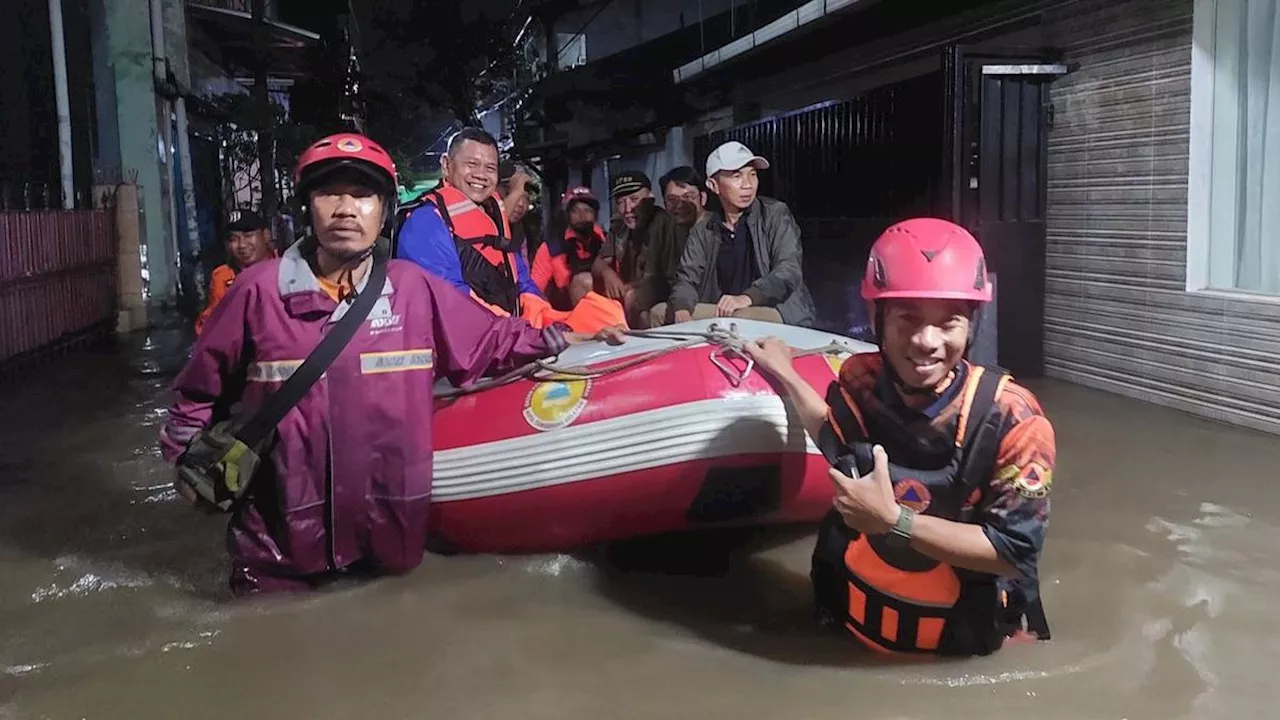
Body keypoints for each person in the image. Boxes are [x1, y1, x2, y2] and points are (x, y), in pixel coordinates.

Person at [159, 132, 625, 596]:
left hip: (387, 544)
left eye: (362, 196)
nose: (345, 208)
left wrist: (566, 334)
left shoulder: (413, 290)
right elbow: (197, 392)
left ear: (383, 210)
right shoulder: (258, 292)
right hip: (278, 555)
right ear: (308, 207)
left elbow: (490, 340)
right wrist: (186, 465)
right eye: (329, 194)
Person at [742, 218, 1055, 656]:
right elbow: (834, 439)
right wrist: (785, 372)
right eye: (908, 318)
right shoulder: (859, 383)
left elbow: (1013, 550)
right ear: (877, 318)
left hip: (951, 652)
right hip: (848, 628)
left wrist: (895, 522)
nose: (927, 342)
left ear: (971, 326)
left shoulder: (1014, 419)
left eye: (949, 323)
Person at [394, 127, 625, 333]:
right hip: (465, 350)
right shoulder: (425, 223)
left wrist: (557, 325)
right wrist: (520, 334)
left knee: (604, 315)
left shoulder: (493, 220)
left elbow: (523, 286)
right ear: (446, 165)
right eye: (471, 165)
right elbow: (451, 303)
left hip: (507, 336)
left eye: (490, 168)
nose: (481, 175)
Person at [652, 141, 815, 327]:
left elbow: (788, 270)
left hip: (777, 309)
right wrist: (681, 309)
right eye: (737, 176)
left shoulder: (774, 214)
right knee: (660, 313)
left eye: (752, 175)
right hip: (725, 309)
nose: (748, 185)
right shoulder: (704, 229)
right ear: (713, 185)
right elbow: (686, 278)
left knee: (740, 319)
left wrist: (747, 297)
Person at [593, 171, 680, 327]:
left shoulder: (664, 223)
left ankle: (632, 344)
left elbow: (662, 278)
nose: (628, 209)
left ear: (650, 199)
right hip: (627, 286)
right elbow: (599, 262)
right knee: (582, 281)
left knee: (633, 297)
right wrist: (607, 273)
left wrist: (630, 287)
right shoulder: (619, 224)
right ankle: (589, 338)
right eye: (620, 202)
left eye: (634, 199)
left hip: (660, 288)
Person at [194, 210, 275, 335]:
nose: (242, 245)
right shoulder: (222, 277)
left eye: (248, 235)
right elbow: (209, 328)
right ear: (227, 245)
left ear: (266, 236)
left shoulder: (289, 266)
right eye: (233, 239)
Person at [531, 187, 607, 310]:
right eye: (575, 211)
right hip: (568, 316)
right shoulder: (550, 248)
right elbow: (534, 291)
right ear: (567, 215)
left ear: (596, 216)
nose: (582, 216)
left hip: (609, 309)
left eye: (588, 210)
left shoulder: (608, 242)